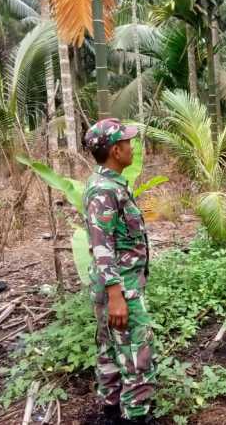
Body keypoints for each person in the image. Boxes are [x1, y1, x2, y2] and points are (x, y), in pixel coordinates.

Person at [83, 118, 155, 425]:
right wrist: (117, 295)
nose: (131, 146)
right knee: (136, 352)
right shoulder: (104, 191)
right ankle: (135, 415)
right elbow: (102, 246)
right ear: (115, 150)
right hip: (121, 287)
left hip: (115, 285)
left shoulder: (108, 185)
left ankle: (111, 411)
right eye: (126, 142)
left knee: (111, 351)